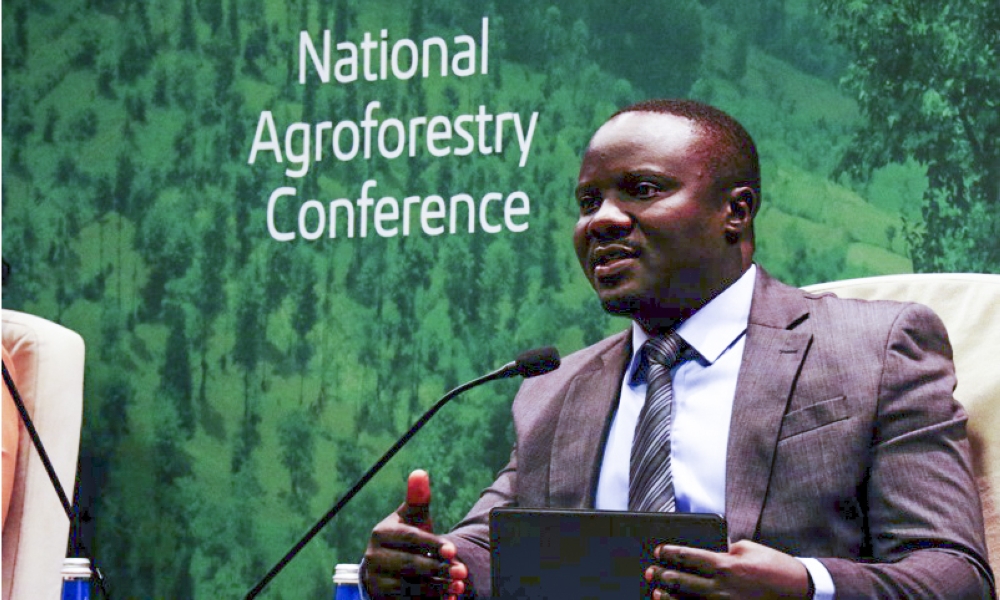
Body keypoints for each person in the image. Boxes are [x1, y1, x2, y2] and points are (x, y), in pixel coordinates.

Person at [361, 99, 995, 599]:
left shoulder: (873, 350)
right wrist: (429, 564)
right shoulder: (555, 388)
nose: (601, 220)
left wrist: (804, 585)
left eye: (641, 190)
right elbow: (490, 549)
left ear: (736, 212)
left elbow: (954, 575)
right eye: (588, 202)